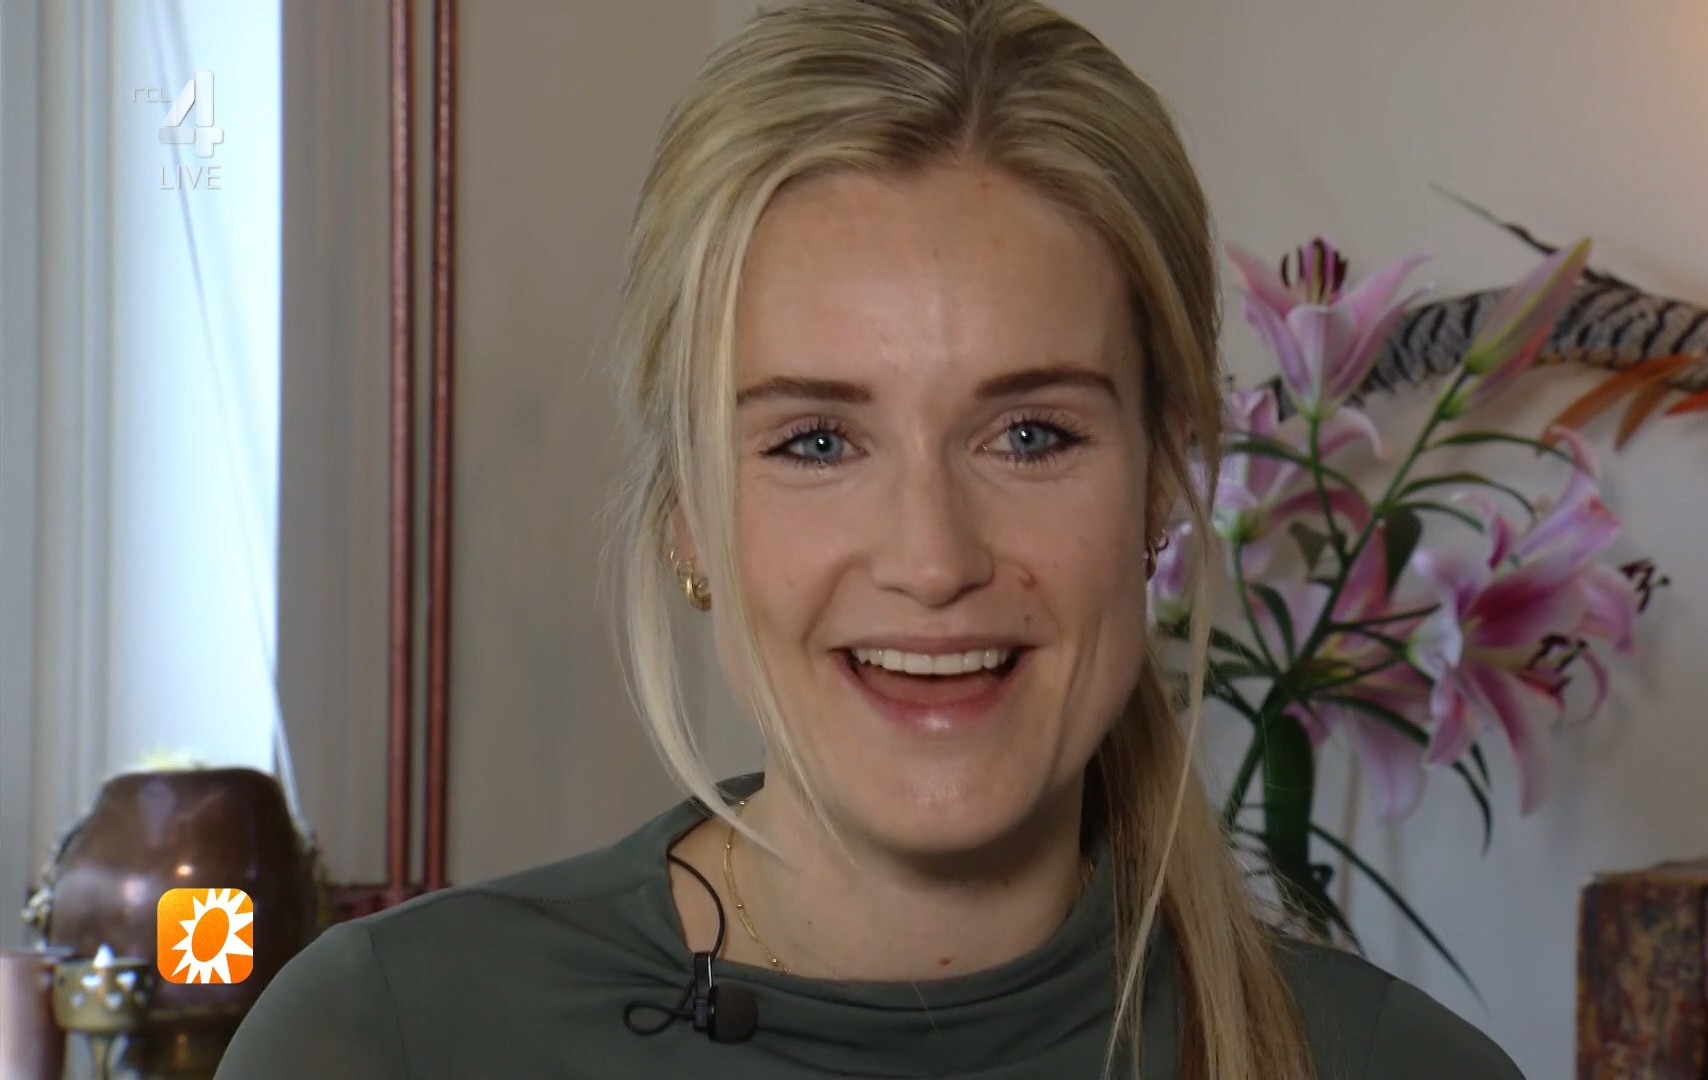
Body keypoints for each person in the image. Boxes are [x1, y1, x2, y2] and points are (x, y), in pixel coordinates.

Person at [215, 1, 1525, 1077]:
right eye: (817, 443)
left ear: (1163, 488)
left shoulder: (1396, 1068)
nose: (934, 560)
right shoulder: (386, 1039)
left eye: (1030, 435)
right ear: (688, 514)